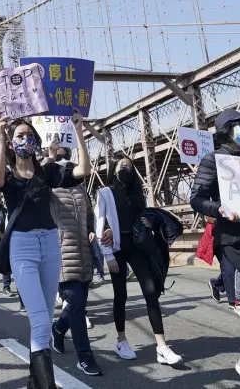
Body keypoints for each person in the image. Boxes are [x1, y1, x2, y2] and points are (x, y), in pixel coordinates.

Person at [0, 113, 88, 389]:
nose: (25, 139)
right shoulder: (8, 175)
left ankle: (33, 381)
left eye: (29, 135)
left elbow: (82, 172)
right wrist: (0, 137)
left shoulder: (47, 171)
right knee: (40, 319)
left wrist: (79, 131)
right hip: (23, 247)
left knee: (44, 318)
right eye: (20, 135)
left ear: (36, 140)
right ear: (12, 140)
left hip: (51, 244)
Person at [95, 152, 182, 365]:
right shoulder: (105, 193)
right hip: (116, 249)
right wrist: (108, 256)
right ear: (114, 169)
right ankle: (121, 340)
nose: (127, 170)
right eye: (123, 166)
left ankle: (161, 346)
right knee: (121, 295)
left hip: (136, 247)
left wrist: (151, 222)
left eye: (130, 167)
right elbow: (98, 225)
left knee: (151, 291)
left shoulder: (137, 192)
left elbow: (142, 217)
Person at [190, 109, 240, 387]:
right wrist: (220, 208)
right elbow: (197, 199)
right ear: (227, 130)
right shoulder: (213, 160)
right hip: (233, 238)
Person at [47, 144, 107, 376]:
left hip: (83, 253)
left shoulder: (81, 188)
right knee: (76, 304)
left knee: (77, 303)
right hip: (61, 253)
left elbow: (90, 215)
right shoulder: (50, 189)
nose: (67, 167)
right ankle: (85, 357)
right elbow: (38, 181)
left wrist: (92, 229)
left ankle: (59, 329)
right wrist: (49, 160)